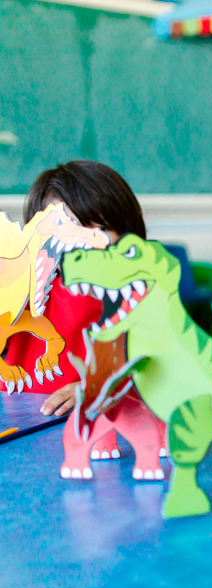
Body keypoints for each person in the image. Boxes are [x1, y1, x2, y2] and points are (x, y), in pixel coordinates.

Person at [4, 161, 147, 457]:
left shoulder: (139, 297)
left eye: (103, 227)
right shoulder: (21, 290)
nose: (85, 241)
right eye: (68, 227)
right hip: (19, 440)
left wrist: (105, 388)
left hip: (104, 439)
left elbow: (160, 371)